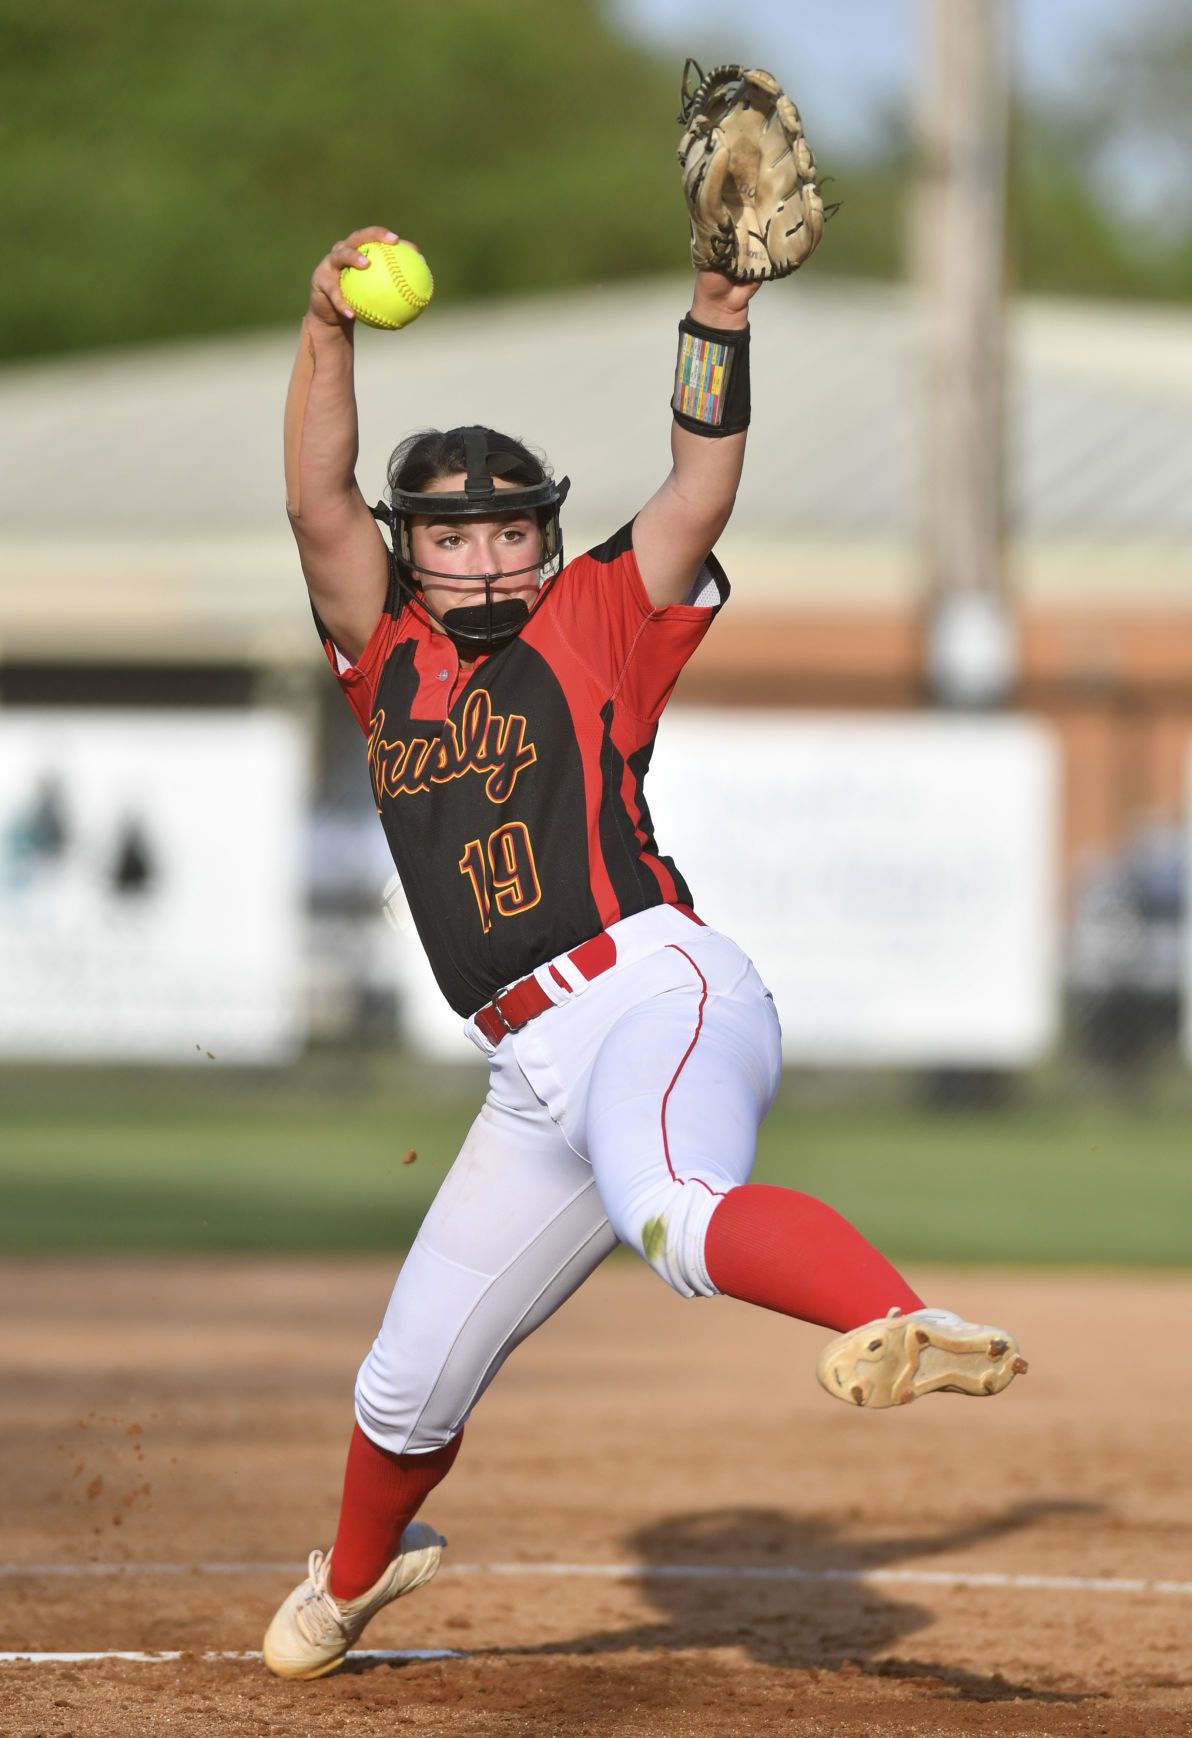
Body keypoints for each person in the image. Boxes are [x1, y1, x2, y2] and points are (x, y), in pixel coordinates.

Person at [262, 225, 1028, 1680]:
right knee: (407, 1382)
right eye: (446, 534)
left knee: (677, 1211)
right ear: (406, 549)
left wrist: (718, 304)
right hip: (527, 1064)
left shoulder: (595, 614)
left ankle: (894, 1312)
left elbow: (701, 480)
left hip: (651, 989)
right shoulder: (383, 660)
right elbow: (312, 495)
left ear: (545, 537)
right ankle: (353, 1586)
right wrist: (325, 324)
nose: (482, 555)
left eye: (505, 530)